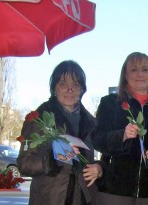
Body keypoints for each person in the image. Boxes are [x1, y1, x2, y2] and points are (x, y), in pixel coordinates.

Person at [91, 52, 148, 205]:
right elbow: (97, 140)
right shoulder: (109, 103)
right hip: (114, 191)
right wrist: (122, 136)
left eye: (145, 69)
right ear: (125, 74)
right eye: (133, 69)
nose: (140, 74)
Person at [17, 60, 104, 205]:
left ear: (82, 89)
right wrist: (53, 158)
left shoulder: (91, 123)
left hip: (84, 199)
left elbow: (101, 157)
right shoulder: (39, 119)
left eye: (75, 85)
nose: (70, 90)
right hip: (50, 199)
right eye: (63, 84)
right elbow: (24, 164)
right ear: (54, 88)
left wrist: (99, 168)